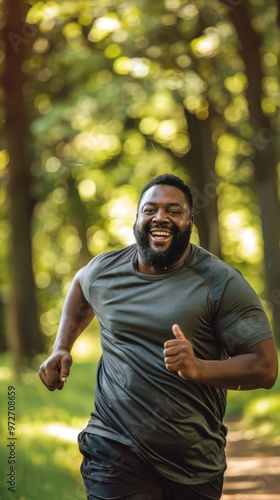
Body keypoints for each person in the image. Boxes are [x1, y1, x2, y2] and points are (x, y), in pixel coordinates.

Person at [39, 173, 278, 500]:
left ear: (190, 221)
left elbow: (265, 368)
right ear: (136, 219)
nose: (160, 217)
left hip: (195, 464)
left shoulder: (220, 282)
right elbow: (81, 284)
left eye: (173, 210)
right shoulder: (105, 271)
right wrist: (62, 347)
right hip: (114, 447)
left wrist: (200, 369)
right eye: (149, 209)